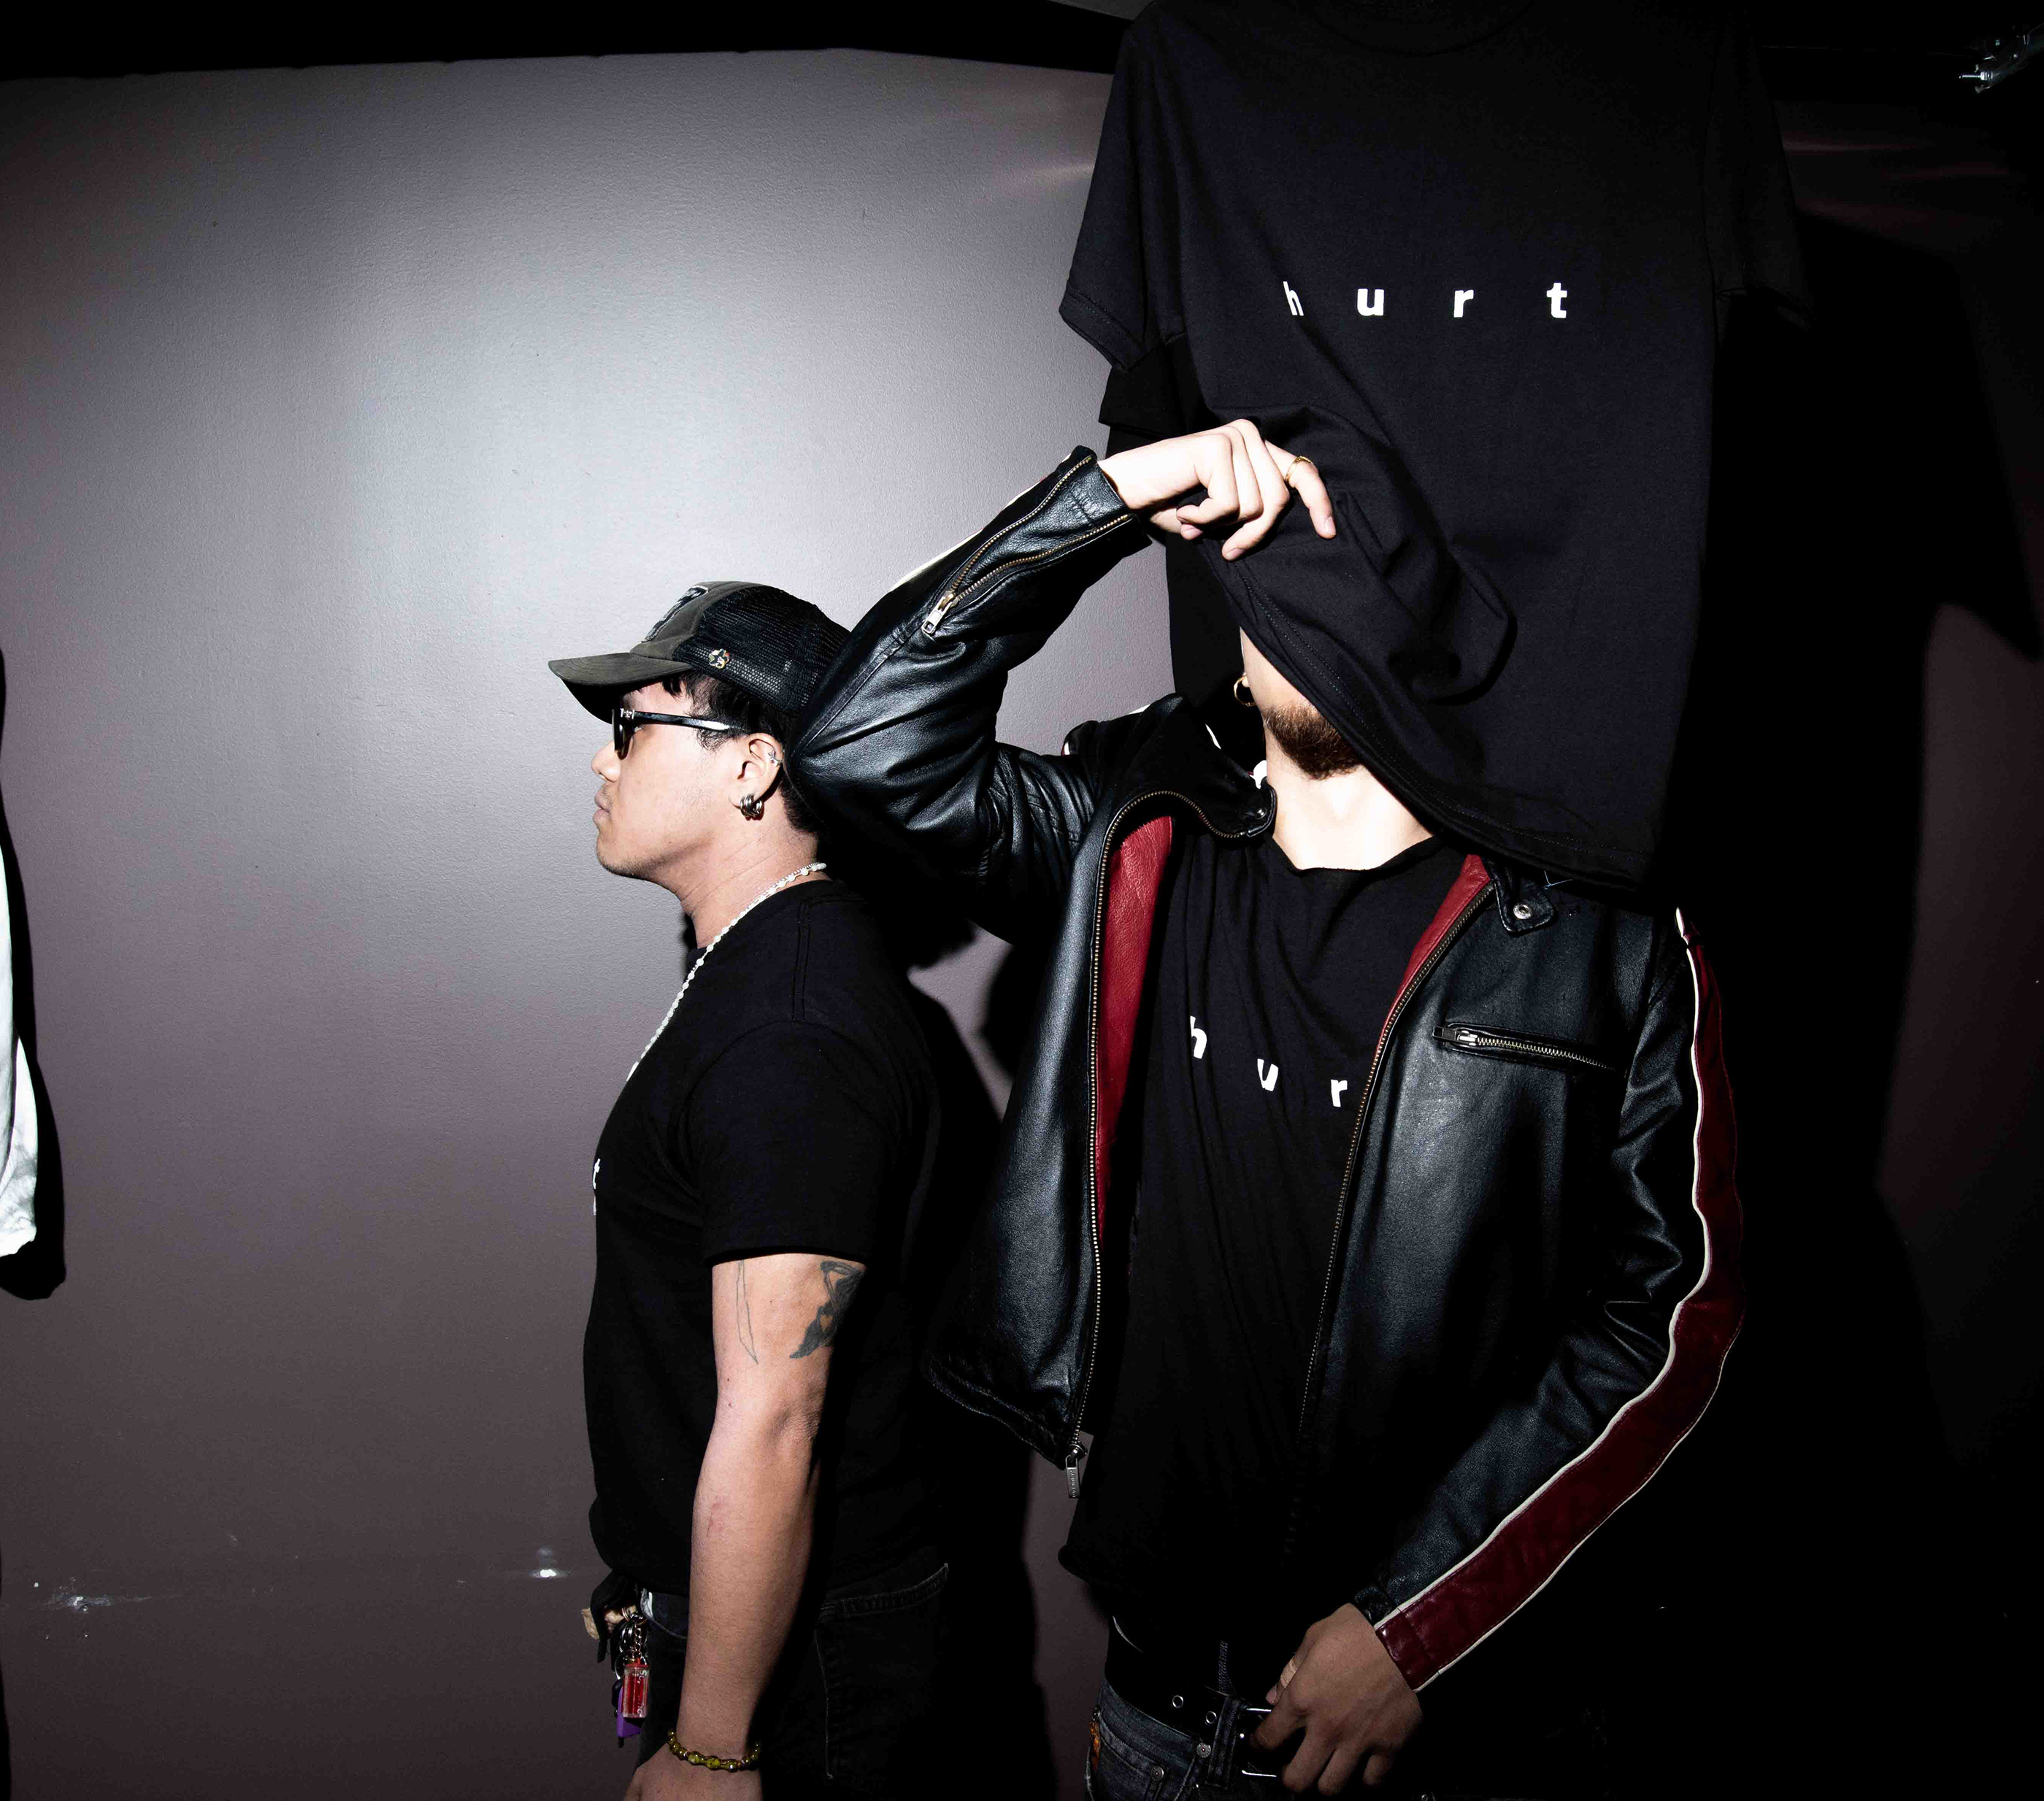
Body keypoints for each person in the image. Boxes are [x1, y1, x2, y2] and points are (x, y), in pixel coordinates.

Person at [791, 425, 1740, 1797]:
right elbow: (858, 743)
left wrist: (1420, 1629)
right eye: (1288, 574)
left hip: (1452, 1727)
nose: (1325, 620)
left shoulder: (1600, 933)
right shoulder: (1133, 829)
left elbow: (1676, 1315)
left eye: (1370, 575)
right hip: (1157, 1709)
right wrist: (1105, 501)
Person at [551, 583, 954, 1800]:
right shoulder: (770, 969)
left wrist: (713, 1746)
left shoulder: (789, 1031)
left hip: (800, 1660)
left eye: (634, 729)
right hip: (754, 1620)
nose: (604, 760)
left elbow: (780, 1415)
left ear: (752, 766)